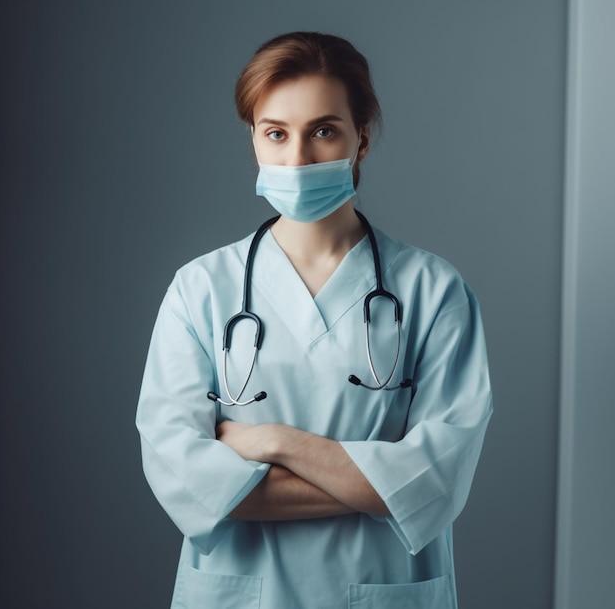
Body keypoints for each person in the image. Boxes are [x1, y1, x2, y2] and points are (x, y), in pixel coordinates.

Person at [136, 31, 492, 608]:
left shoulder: (434, 291)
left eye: (323, 131)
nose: (297, 158)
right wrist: (383, 482)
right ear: (253, 140)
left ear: (363, 140)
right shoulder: (199, 290)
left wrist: (271, 441)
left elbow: (438, 479)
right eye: (276, 133)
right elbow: (185, 480)